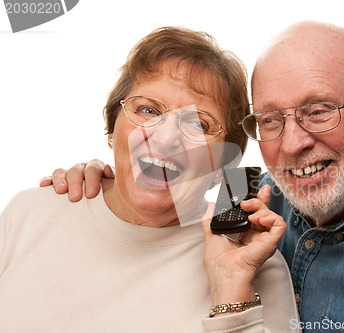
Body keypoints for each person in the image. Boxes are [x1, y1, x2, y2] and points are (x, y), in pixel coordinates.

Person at [42, 21, 344, 332]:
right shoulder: (252, 195)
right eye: (271, 120)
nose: (292, 143)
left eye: (318, 111)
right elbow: (162, 187)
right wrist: (100, 188)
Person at [0, 26, 301, 332]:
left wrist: (232, 291)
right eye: (147, 109)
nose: (166, 137)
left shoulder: (254, 263)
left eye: (198, 124)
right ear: (112, 127)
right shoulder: (28, 214)